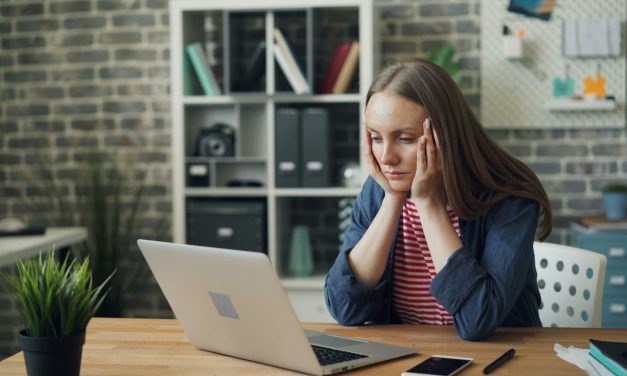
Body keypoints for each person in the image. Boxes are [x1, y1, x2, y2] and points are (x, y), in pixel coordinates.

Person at [324, 59, 552, 341]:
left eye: (405, 139)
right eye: (375, 137)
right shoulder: (380, 189)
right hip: (409, 356)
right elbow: (344, 307)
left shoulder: (509, 196)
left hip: (498, 360)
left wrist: (429, 203)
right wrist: (393, 199)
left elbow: (477, 320)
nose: (386, 158)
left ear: (446, 134)